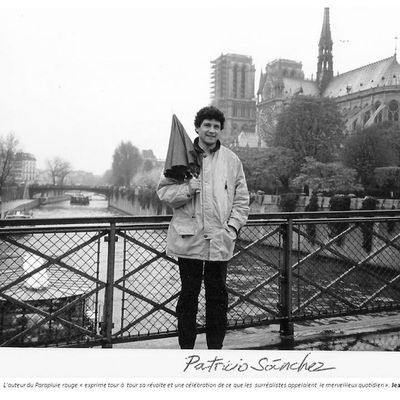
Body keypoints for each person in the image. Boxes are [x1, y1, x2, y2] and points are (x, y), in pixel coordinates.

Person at [157, 106, 249, 349]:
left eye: (216, 126)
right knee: (188, 298)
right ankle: (186, 351)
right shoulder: (182, 156)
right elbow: (164, 192)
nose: (211, 130)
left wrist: (233, 228)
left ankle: (214, 353)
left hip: (220, 239)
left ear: (220, 130)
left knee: (218, 299)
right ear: (197, 128)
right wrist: (188, 189)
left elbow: (242, 199)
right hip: (190, 240)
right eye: (207, 125)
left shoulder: (232, 159)